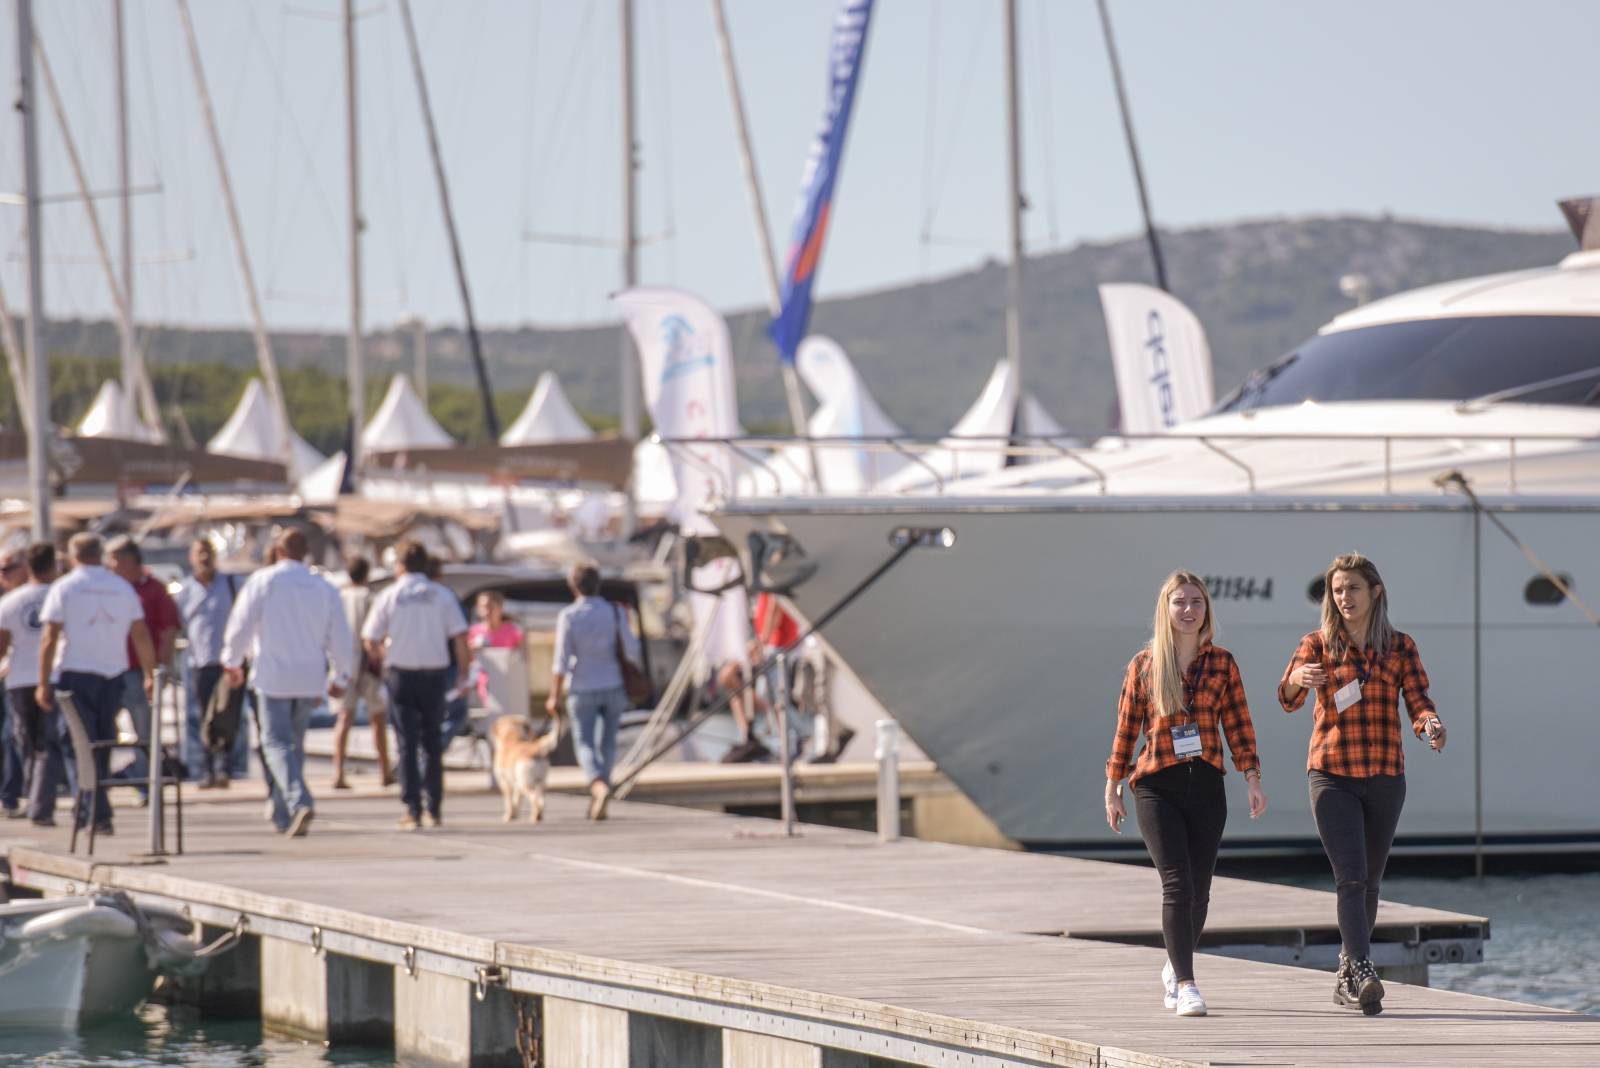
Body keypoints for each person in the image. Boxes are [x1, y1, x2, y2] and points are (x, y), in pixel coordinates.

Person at [1278, 552, 1445, 1016]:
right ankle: (1364, 968)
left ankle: (1347, 975)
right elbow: (1286, 698)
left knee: (1371, 880)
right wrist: (1296, 678)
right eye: (1337, 590)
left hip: (1385, 776)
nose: (1344, 597)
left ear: (1375, 592)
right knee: (1349, 877)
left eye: (1353, 588)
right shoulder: (1316, 644)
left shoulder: (1400, 646)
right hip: (1331, 775)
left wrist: (1430, 725)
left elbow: (1418, 701)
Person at [1104, 570, 1266, 1019]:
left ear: (1206, 610)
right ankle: (1187, 984)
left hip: (1207, 784)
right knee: (1177, 884)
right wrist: (1112, 785)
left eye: (1197, 602)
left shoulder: (1223, 664)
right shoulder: (1144, 665)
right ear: (1166, 609)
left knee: (1201, 890)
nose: (1189, 610)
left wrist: (1251, 776)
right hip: (1156, 785)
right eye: (1180, 602)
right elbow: (1125, 730)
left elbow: (1238, 724)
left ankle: (1175, 965)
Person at [221, 529, 352, 838]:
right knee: (293, 745)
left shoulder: (264, 581)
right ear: (304, 553)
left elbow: (241, 623)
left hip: (272, 675)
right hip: (308, 677)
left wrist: (232, 660)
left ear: (278, 551)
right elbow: (340, 636)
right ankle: (284, 814)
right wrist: (341, 674)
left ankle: (298, 799)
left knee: (275, 743)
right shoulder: (324, 586)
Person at [36, 533, 157, 835]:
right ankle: (91, 807)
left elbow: (50, 638)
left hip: (76, 674)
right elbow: (140, 633)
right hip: (112, 675)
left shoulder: (66, 587)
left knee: (77, 743)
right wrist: (150, 673)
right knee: (102, 743)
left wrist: (42, 682)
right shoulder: (120, 587)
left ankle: (94, 810)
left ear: (74, 555)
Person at [363, 542, 467, 830]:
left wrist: (385, 657)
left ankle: (413, 807)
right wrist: (464, 673)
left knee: (406, 744)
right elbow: (460, 637)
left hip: (402, 675)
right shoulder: (442, 595)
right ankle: (434, 806)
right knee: (432, 742)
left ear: (400, 565)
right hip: (435, 676)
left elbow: (370, 638)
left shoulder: (389, 596)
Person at [546, 558, 640, 820]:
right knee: (608, 741)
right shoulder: (615, 612)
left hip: (582, 686)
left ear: (573, 586)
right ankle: (604, 785)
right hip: (613, 683)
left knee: (584, 742)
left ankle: (597, 785)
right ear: (598, 584)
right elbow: (632, 649)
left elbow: (560, 661)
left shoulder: (569, 616)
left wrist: (553, 695)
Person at [108, 537, 180, 799]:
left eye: (114, 560)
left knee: (144, 733)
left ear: (129, 561)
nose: (110, 566)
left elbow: (169, 627)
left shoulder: (154, 589)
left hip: (140, 672)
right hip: (109, 671)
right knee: (103, 732)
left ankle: (146, 786)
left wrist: (160, 667)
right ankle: (101, 787)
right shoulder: (108, 588)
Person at [175, 538, 249, 788]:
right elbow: (176, 625)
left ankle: (225, 767)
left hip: (229, 661)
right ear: (191, 558)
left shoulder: (231, 584)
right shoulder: (185, 591)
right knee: (203, 716)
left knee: (228, 715)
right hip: (200, 661)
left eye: (208, 552)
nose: (204, 557)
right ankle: (206, 769)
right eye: (199, 553)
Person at [0, 543, 60, 825]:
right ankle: (39, 802)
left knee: (29, 744)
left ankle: (35, 800)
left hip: (20, 680)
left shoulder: (11, 601)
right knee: (49, 744)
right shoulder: (61, 594)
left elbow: (1, 648)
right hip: (54, 677)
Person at [332, 555, 393, 790]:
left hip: (344, 661)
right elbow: (378, 632)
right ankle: (384, 770)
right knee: (377, 717)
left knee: (344, 717)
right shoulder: (371, 597)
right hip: (368, 662)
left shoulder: (338, 597)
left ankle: (338, 771)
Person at [0, 548, 27, 817]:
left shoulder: (29, 598)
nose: (3, 575)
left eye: (8, 569)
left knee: (13, 736)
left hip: (21, 678)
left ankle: (11, 796)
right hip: (12, 678)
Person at [466, 590, 524, 704]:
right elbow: (466, 661)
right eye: (483, 607)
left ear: (500, 608)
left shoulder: (513, 631)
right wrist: (472, 651)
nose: (487, 611)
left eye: (491, 607)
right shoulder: (473, 632)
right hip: (483, 686)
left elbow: (522, 658)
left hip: (508, 684)